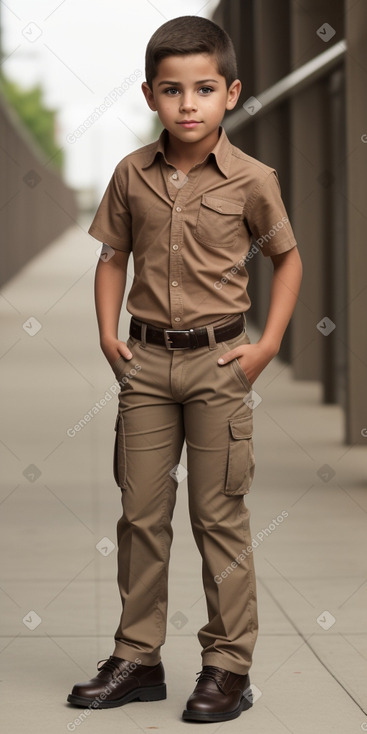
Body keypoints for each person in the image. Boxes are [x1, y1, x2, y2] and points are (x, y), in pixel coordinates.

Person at [67, 14, 302, 723]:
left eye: (204, 89)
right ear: (150, 96)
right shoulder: (130, 175)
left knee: (217, 514)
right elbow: (112, 257)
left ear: (230, 92)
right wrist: (108, 337)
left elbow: (286, 258)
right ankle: (137, 657)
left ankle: (227, 666)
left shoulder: (252, 180)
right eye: (172, 91)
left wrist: (264, 348)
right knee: (141, 515)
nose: (188, 104)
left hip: (217, 366)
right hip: (145, 367)